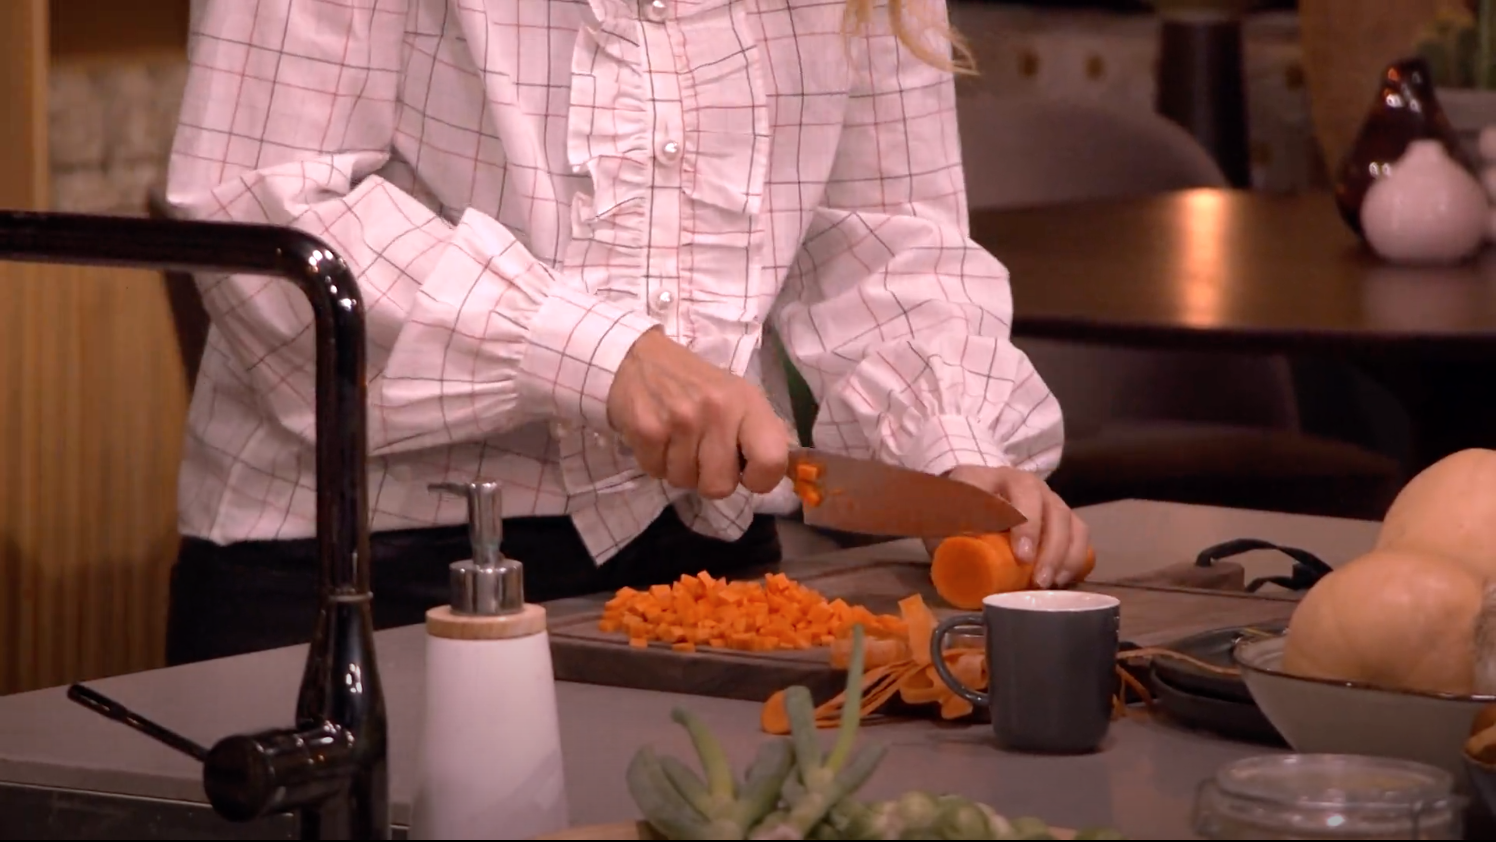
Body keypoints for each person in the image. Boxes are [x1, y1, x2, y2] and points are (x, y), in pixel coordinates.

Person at [162, 0, 1091, 667]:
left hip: (712, 577)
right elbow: (262, 209)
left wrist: (951, 452)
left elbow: (881, 241)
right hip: (365, 574)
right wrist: (599, 355)